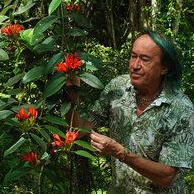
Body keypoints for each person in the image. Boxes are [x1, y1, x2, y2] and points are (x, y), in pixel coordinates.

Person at [65, 29, 194, 193]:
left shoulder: (181, 109)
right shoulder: (118, 88)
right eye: (133, 56)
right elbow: (76, 131)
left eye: (145, 60)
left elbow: (167, 177)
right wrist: (71, 93)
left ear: (164, 68)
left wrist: (120, 152)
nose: (135, 66)